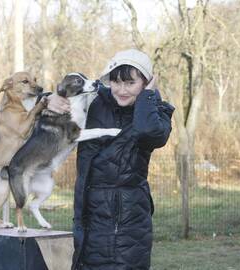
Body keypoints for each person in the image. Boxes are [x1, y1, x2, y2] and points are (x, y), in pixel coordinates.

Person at [47, 49, 174, 270]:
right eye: (116, 82)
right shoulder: (97, 100)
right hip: (88, 219)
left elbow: (148, 132)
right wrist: (50, 98)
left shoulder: (157, 113)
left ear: (146, 82)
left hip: (127, 224)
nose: (121, 90)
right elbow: (35, 101)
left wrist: (148, 95)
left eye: (130, 83)